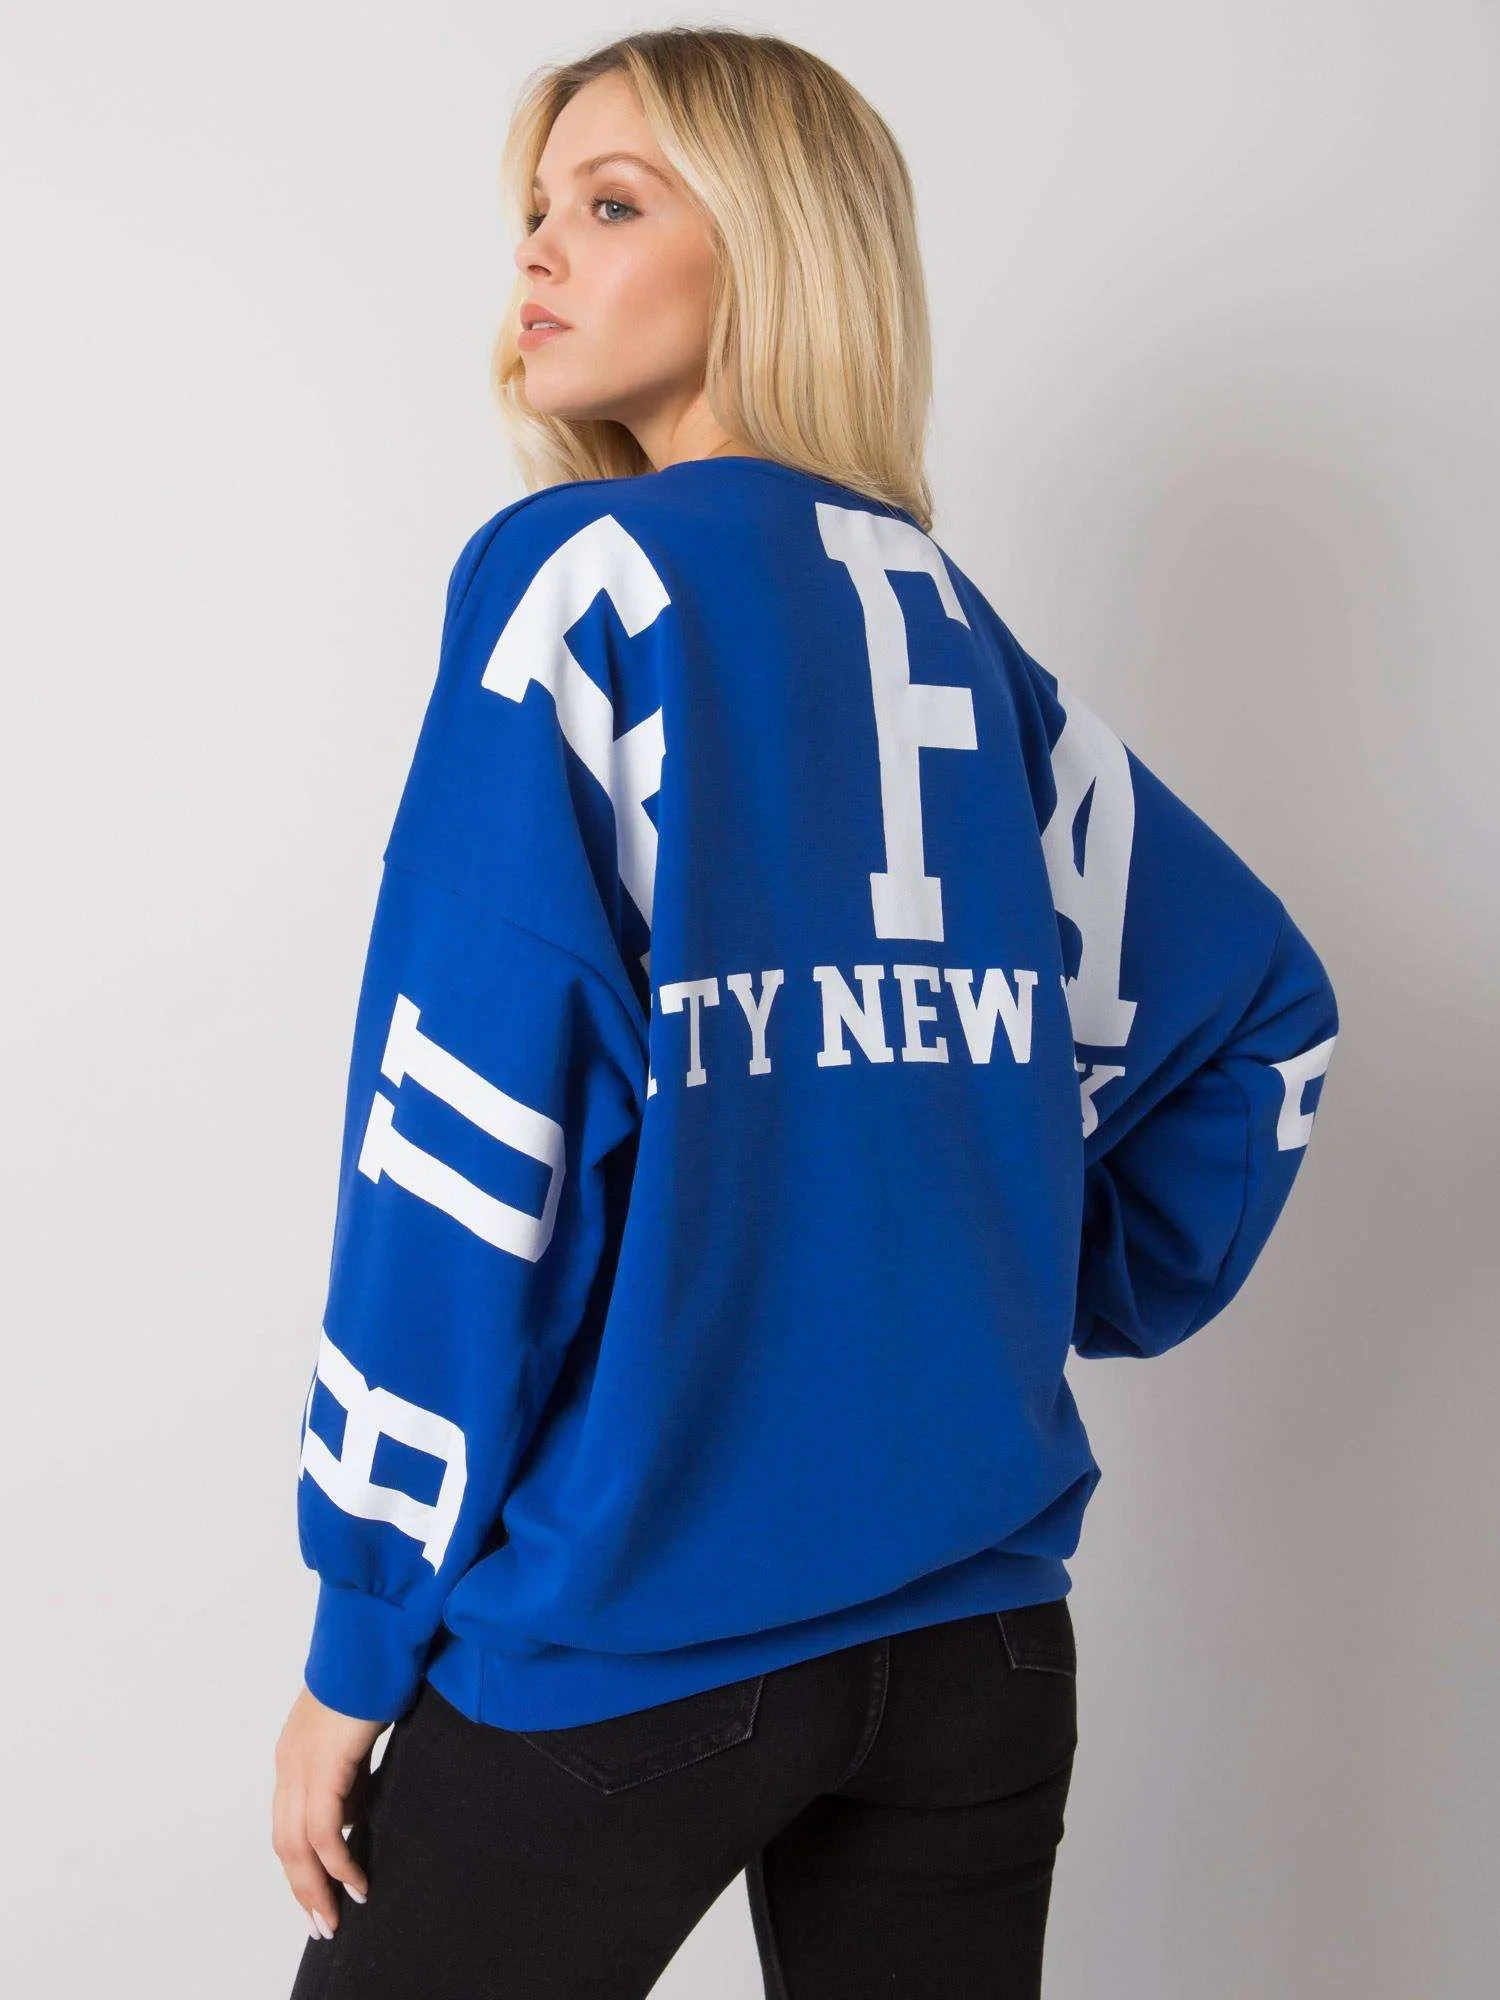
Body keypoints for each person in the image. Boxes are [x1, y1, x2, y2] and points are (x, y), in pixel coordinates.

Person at [271, 26, 1340, 1999]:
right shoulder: (949, 627)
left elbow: (465, 1136)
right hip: (980, 1648)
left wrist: (360, 1630)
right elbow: (1262, 1012)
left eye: (611, 204)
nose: (539, 253)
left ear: (767, 249)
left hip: (636, 1638)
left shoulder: (580, 589)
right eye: (536, 209)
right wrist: (1035, 1282)